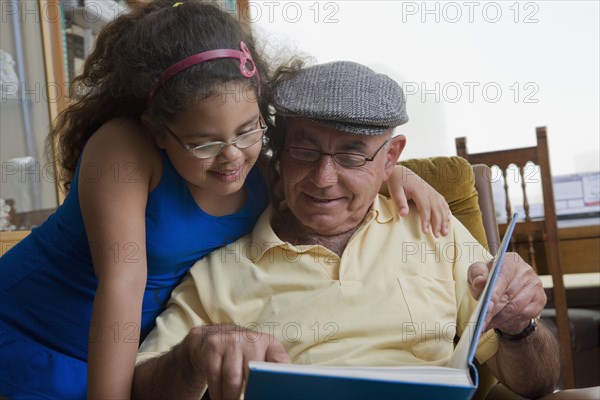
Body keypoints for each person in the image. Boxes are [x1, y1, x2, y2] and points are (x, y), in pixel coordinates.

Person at [0, 2, 449, 399]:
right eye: (203, 142)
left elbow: (324, 169)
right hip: (31, 329)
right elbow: (122, 283)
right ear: (158, 130)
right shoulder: (122, 148)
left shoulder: (261, 167)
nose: (233, 156)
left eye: (248, 129)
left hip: (131, 348)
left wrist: (397, 173)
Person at [132, 60, 561, 400]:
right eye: (304, 150)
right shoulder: (219, 273)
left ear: (391, 158)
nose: (323, 178)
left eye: (352, 155)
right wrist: (192, 356)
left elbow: (537, 384)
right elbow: (139, 388)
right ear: (278, 151)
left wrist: (519, 326)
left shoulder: (435, 228)